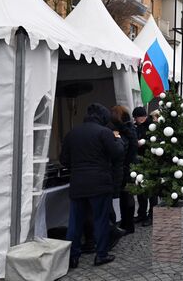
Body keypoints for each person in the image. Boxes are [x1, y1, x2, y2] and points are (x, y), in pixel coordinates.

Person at [61, 103, 123, 269]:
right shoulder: (105, 132)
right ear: (103, 117)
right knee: (100, 220)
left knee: (75, 223)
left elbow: (63, 160)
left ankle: (72, 257)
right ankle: (101, 255)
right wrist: (118, 140)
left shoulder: (72, 133)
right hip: (99, 184)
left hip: (78, 184)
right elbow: (117, 154)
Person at [109, 106, 138, 234]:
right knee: (127, 196)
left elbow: (122, 149)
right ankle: (128, 223)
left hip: (124, 167)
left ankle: (127, 224)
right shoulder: (130, 129)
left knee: (126, 197)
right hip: (130, 167)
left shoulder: (122, 131)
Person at [132, 107, 157, 227]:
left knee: (151, 191)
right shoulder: (135, 126)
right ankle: (142, 213)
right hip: (139, 161)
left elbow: (155, 142)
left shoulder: (152, 126)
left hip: (151, 162)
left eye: (142, 117)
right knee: (140, 189)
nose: (140, 119)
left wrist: (144, 142)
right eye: (137, 117)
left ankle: (152, 216)